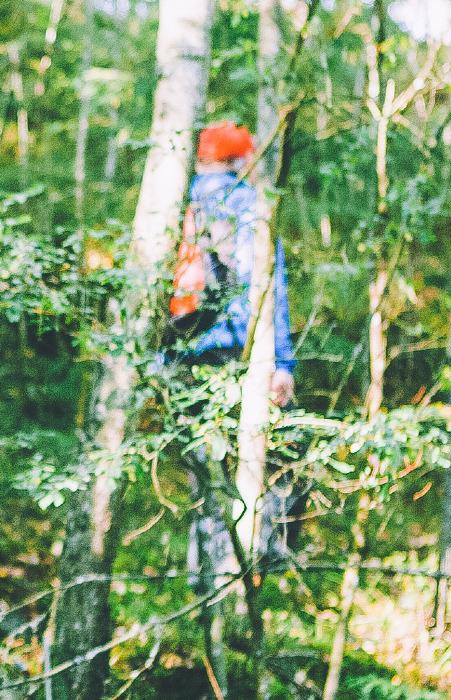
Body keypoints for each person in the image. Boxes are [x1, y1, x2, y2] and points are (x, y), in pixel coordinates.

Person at [174, 122, 302, 580]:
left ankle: (203, 577)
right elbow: (266, 287)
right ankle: (251, 568)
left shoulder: (174, 198)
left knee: (204, 475)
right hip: (235, 353)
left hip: (181, 358)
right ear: (239, 160)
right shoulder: (247, 205)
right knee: (278, 461)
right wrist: (280, 364)